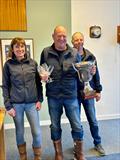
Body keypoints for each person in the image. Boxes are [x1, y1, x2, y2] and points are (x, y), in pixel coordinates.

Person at [40, 25, 86, 160]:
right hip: (53, 96)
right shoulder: (45, 52)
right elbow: (42, 70)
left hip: (71, 95)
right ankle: (58, 153)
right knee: (55, 125)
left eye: (64, 36)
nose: (61, 38)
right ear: (53, 36)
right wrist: (43, 76)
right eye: (58, 35)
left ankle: (79, 153)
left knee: (77, 124)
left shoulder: (74, 53)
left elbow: (80, 75)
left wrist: (88, 74)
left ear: (67, 37)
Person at [2, 37, 43, 160]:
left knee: (37, 132)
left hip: (32, 103)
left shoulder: (33, 63)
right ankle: (23, 157)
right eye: (17, 47)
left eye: (22, 46)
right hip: (16, 104)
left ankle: (37, 157)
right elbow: (5, 86)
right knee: (19, 132)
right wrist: (8, 106)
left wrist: (39, 100)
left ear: (25, 48)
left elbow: (38, 83)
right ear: (12, 49)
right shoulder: (8, 65)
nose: (20, 49)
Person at [71, 32, 105, 156]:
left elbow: (96, 75)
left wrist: (98, 91)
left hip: (88, 92)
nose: (79, 42)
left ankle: (97, 143)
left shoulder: (91, 56)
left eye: (81, 39)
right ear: (72, 42)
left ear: (83, 41)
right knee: (76, 121)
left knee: (93, 120)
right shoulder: (69, 56)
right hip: (74, 94)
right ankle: (77, 145)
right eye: (76, 40)